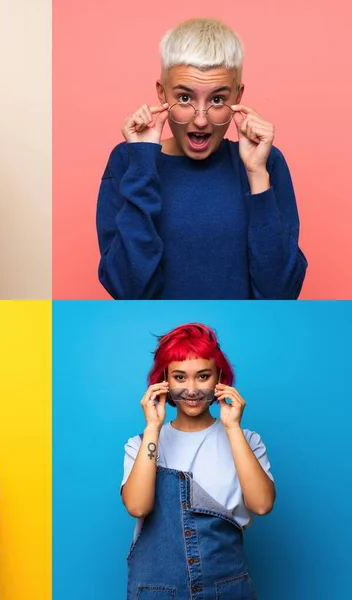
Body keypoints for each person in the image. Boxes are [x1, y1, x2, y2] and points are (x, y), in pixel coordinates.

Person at [97, 18, 307, 300]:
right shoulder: (129, 161)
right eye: (184, 98)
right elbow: (127, 290)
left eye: (217, 100)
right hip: (160, 341)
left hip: (243, 341)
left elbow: (281, 295)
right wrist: (144, 163)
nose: (200, 120)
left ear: (238, 96)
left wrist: (257, 174)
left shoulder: (264, 163)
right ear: (162, 93)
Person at [121, 323, 274, 600]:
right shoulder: (140, 445)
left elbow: (262, 505)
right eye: (180, 377)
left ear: (219, 379)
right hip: (158, 591)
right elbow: (137, 505)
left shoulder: (247, 440)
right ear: (164, 381)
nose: (191, 390)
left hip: (226, 589)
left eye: (203, 376)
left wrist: (232, 428)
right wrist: (153, 427)